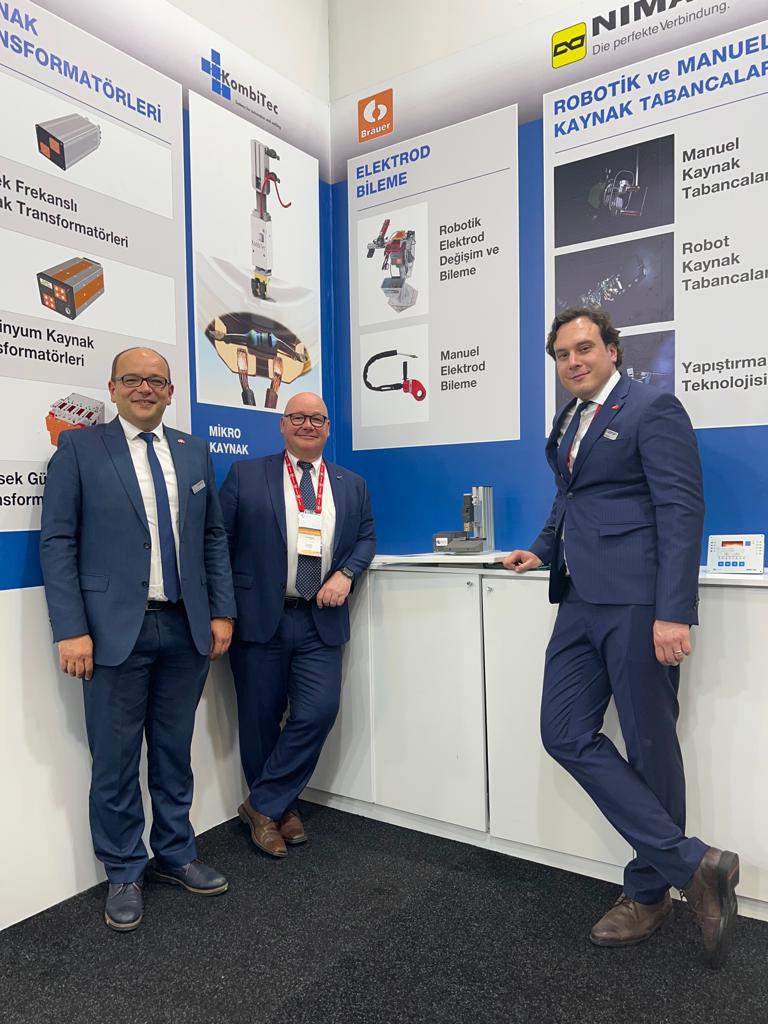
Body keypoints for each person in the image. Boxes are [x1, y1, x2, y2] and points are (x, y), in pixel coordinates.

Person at [503, 308, 739, 968]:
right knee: (562, 731)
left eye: (584, 348)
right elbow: (569, 498)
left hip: (638, 603)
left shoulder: (651, 409)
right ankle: (695, 864)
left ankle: (648, 893)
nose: (573, 361)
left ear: (612, 350)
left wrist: (674, 611)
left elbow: (681, 509)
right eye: (562, 354)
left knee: (649, 743)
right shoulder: (570, 420)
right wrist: (540, 548)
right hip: (578, 599)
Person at [40, 347, 236, 932]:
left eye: (156, 380)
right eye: (132, 379)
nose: (144, 388)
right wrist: (71, 628)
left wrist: (221, 613)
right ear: (112, 388)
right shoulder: (79, 448)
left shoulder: (193, 451)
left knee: (174, 752)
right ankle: (124, 868)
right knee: (116, 759)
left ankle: (175, 852)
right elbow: (58, 542)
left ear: (171, 392)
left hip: (185, 627)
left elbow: (213, 539)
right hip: (110, 633)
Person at [220, 392, 375, 858]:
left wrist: (347, 573)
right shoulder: (246, 474)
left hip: (319, 620)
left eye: (317, 419)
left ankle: (262, 804)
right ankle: (279, 810)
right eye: (298, 417)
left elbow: (366, 537)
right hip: (258, 616)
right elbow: (219, 544)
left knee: (318, 711)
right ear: (283, 425)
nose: (308, 425)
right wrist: (221, 611)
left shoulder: (351, 484)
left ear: (328, 428)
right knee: (259, 718)